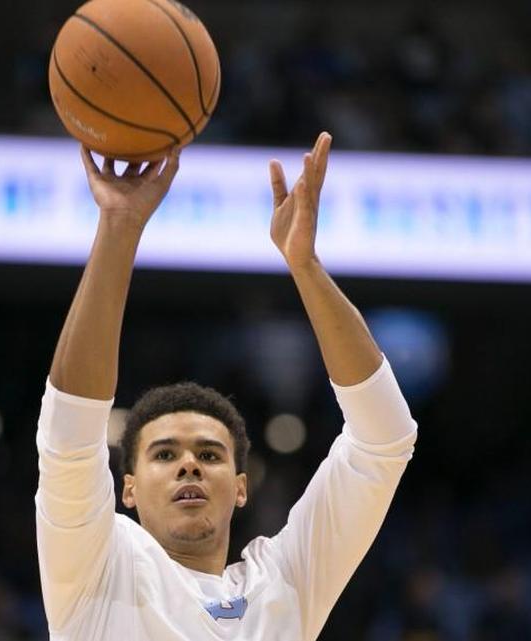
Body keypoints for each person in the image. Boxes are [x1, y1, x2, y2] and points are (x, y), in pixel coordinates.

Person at [35, 132, 418, 640]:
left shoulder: (286, 581)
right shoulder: (99, 571)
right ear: (127, 488)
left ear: (241, 488)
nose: (189, 464)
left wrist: (305, 267)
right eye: (164, 454)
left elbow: (384, 439)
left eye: (211, 455)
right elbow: (68, 437)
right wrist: (118, 226)